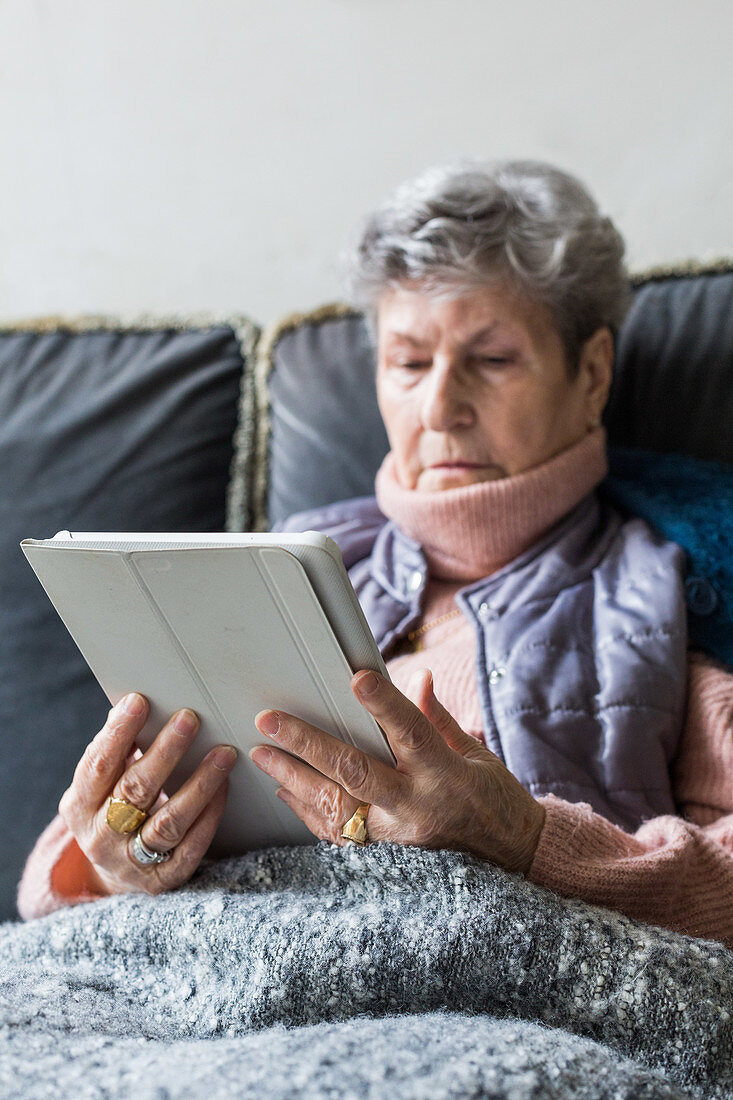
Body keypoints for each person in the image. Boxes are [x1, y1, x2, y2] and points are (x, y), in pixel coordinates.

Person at [17, 161, 733, 945]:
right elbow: (51, 887)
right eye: (409, 363)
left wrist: (528, 844)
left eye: (492, 361)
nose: (441, 408)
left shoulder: (665, 585)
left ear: (590, 374)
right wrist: (111, 861)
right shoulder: (281, 564)